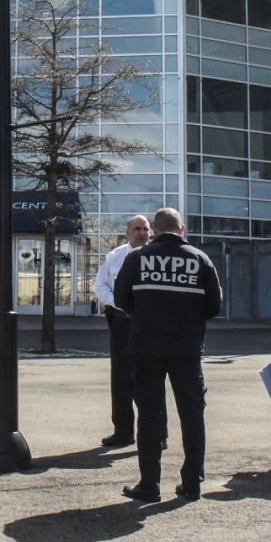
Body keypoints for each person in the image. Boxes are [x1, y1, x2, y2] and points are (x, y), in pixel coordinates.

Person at [114, 207, 222, 502]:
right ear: (182, 229)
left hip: (146, 347)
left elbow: (121, 299)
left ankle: (149, 485)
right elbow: (214, 306)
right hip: (186, 349)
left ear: (155, 230)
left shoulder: (136, 258)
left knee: (149, 416)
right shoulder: (201, 259)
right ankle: (191, 483)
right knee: (192, 414)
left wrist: (146, 314)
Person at [94, 214, 152, 448]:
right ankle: (123, 431)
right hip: (122, 322)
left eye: (146, 229)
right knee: (120, 379)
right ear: (127, 231)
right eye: (137, 228)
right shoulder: (115, 257)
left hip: (149, 324)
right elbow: (100, 286)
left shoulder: (158, 255)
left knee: (150, 379)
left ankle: (157, 434)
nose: (142, 233)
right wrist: (122, 302)